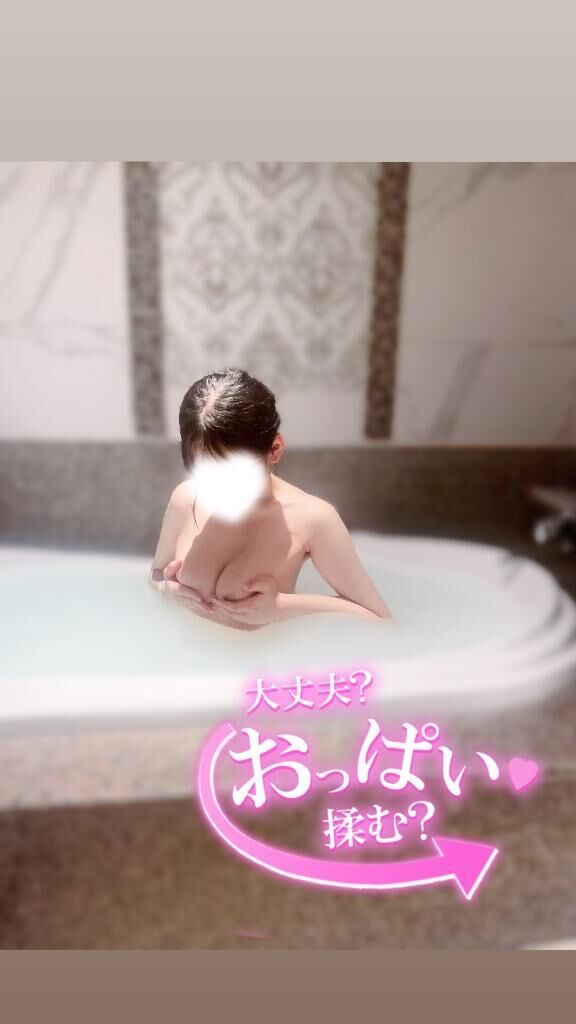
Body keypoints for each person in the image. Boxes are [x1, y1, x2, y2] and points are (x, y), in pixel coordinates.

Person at [149, 368, 392, 631]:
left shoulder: (313, 518)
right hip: (185, 652)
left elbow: (379, 619)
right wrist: (167, 590)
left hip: (265, 655)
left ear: (275, 450)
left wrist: (283, 608)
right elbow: (157, 574)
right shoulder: (186, 498)